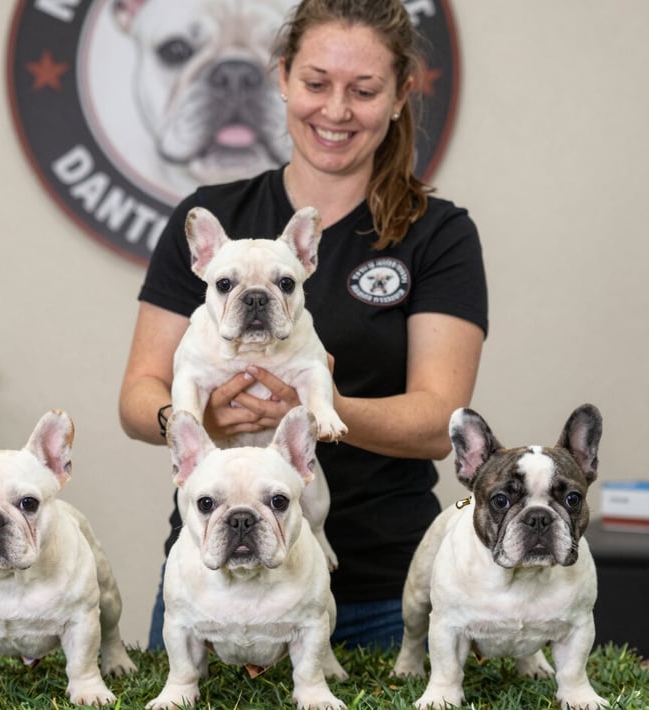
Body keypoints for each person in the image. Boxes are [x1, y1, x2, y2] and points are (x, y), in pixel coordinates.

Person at [119, 0, 488, 650]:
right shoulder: (211, 217)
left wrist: (322, 409)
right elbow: (138, 394)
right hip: (211, 582)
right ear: (283, 76)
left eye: (364, 89)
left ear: (402, 95)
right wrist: (193, 423)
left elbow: (440, 423)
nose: (336, 110)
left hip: (382, 587)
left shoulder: (438, 234)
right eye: (316, 83)